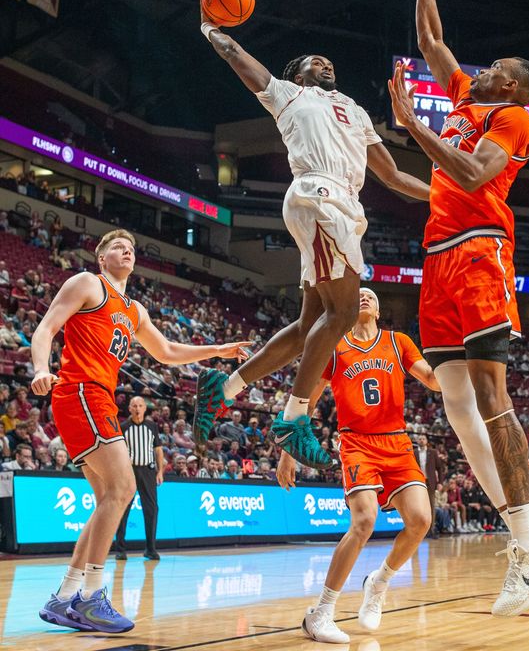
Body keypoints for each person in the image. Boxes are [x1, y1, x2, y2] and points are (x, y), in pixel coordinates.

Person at [387, 0, 529, 617]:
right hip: (436, 257)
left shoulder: (513, 119)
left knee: (493, 397)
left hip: (481, 250)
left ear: (512, 83)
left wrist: (413, 128)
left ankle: (524, 544)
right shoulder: (464, 98)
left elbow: (469, 169)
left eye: (492, 65)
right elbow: (431, 40)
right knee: (457, 411)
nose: (477, 66)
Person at [195, 11, 429, 469]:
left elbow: (395, 175)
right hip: (318, 194)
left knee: (310, 327)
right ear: (296, 74)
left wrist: (445, 196)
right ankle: (293, 418)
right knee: (344, 313)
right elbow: (237, 56)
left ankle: (222, 389)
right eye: (315, 62)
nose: (326, 66)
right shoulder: (287, 95)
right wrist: (211, 29)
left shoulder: (358, 112)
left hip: (343, 204)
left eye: (329, 63)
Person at [30, 229, 250, 633]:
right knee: (123, 488)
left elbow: (166, 352)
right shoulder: (87, 283)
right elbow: (44, 329)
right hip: (80, 391)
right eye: (116, 245)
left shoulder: (135, 310)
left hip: (99, 400)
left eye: (130, 246)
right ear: (101, 258)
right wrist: (41, 369)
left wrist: (216, 351)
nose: (126, 249)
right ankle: (92, 598)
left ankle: (64, 597)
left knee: (107, 501)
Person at [277, 288, 439, 643]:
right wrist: (289, 449)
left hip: (396, 441)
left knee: (421, 520)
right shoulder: (334, 347)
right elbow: (308, 398)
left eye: (371, 296)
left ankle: (378, 582)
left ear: (379, 310)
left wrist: (460, 368)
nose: (364, 297)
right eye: (359, 294)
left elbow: (432, 378)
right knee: (364, 521)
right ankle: (320, 613)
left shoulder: (398, 342)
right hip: (357, 443)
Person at [114, 396, 165, 562]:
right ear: (129, 408)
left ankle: (150, 549)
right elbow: (118, 452)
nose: (137, 408)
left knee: (151, 509)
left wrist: (160, 472)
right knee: (123, 510)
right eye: (134, 405)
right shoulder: (123, 427)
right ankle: (120, 549)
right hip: (128, 471)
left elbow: (158, 450)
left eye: (140, 405)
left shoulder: (152, 426)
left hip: (148, 471)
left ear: (145, 408)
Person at [413, 434, 442, 537]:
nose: (421, 440)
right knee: (418, 507)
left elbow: (439, 468)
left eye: (423, 439)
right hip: (418, 482)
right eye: (419, 439)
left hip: (430, 482)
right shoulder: (414, 453)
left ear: (426, 441)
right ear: (417, 441)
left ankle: (432, 529)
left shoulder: (433, 452)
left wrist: (440, 483)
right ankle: (419, 530)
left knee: (431, 506)